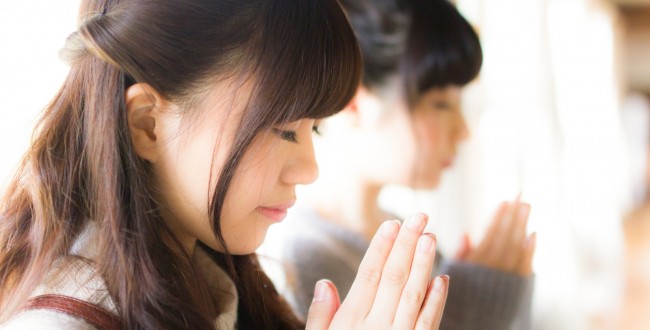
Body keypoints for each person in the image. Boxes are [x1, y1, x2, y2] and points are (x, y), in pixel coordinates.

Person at [0, 0, 450, 329]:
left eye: (313, 129)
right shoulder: (62, 322)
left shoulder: (219, 286)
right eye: (281, 128)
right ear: (147, 124)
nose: (309, 169)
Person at [260, 0, 536, 329]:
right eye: (440, 104)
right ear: (355, 104)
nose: (462, 131)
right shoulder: (302, 266)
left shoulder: (401, 230)